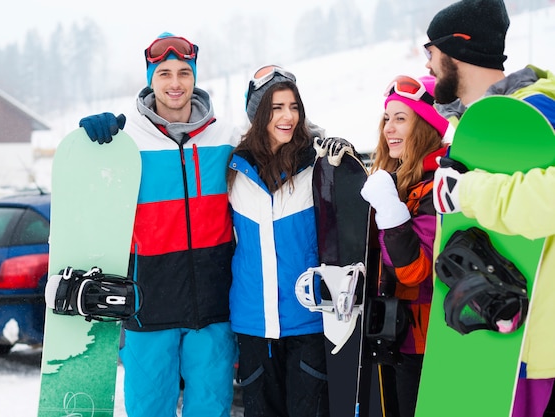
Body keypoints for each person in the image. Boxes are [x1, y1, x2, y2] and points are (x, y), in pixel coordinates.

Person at [77, 32, 239, 417]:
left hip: (213, 310)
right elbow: (88, 188)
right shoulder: (126, 141)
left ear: (195, 78)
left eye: (184, 72)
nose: (175, 83)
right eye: (164, 73)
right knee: (148, 409)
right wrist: (87, 141)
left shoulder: (226, 136)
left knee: (212, 409)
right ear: (151, 79)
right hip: (148, 307)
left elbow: (278, 138)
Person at [423, 1, 555, 416]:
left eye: (430, 51)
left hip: (535, 354)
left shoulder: (540, 113)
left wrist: (469, 193)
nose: (426, 64)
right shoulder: (470, 129)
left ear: (456, 49)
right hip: (488, 337)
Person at [227, 65, 346, 417]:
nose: (288, 116)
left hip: (307, 320)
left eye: (293, 106)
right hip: (253, 323)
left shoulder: (318, 164)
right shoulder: (233, 167)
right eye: (276, 107)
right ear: (258, 113)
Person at [360, 74, 450, 417]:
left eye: (401, 119)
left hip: (427, 342)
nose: (389, 129)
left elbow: (414, 271)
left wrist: (390, 210)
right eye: (387, 119)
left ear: (425, 126)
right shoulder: (394, 178)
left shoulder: (438, 182)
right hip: (391, 335)